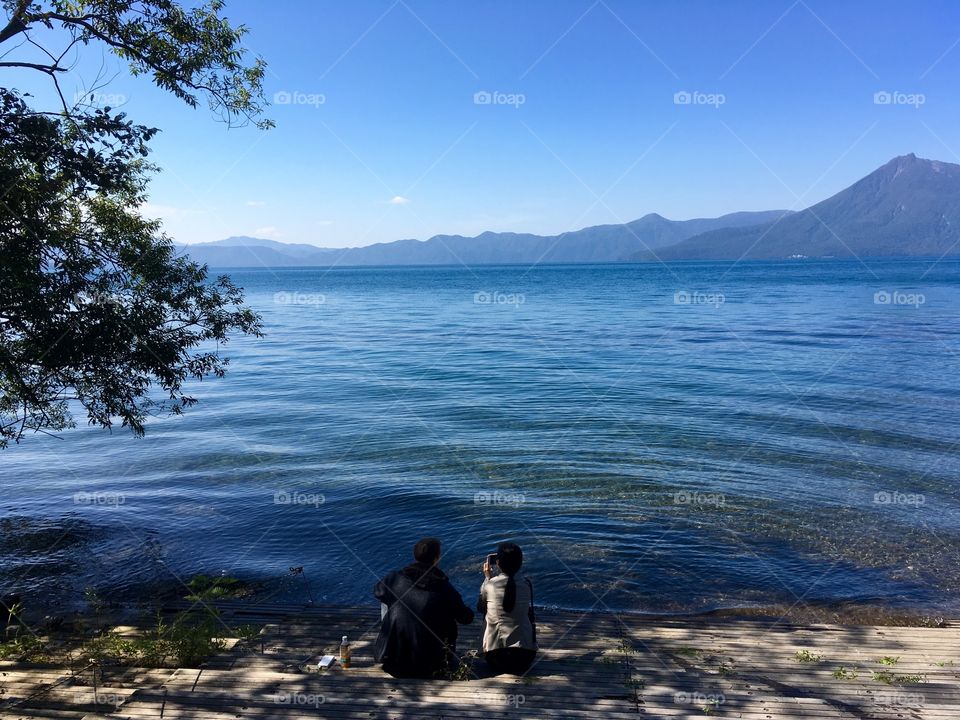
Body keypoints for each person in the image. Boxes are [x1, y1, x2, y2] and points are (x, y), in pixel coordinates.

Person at [373, 537, 474, 678]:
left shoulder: (395, 579)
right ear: (436, 558)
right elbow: (466, 618)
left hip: (394, 661)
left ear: (415, 556)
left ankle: (389, 641)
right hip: (434, 664)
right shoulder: (445, 588)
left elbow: (377, 591)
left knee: (387, 596)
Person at [477, 542, 537, 675]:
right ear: (520, 563)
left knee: (487, 610)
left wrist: (487, 579)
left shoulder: (489, 585)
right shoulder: (527, 585)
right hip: (525, 658)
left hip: (496, 659)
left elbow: (480, 608)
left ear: (497, 563)